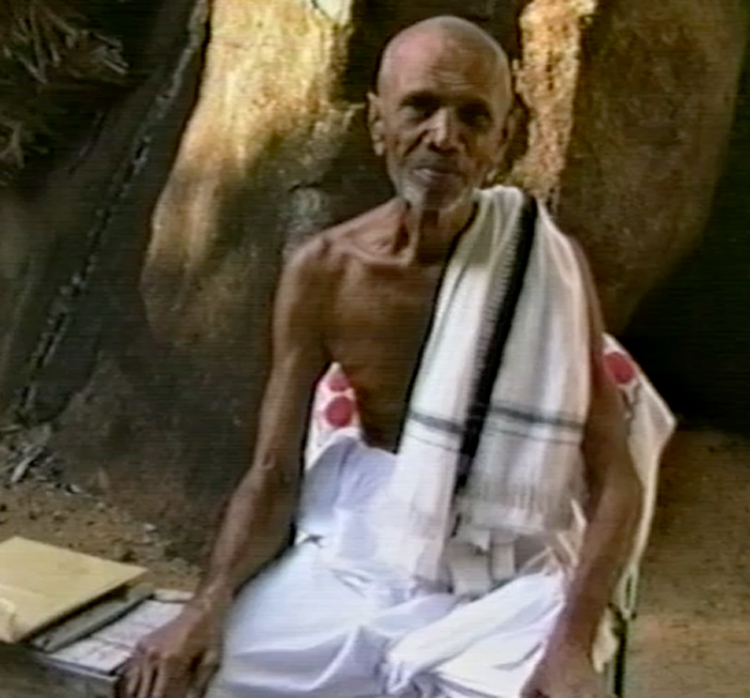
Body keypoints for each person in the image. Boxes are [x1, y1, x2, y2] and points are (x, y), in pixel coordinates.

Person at [123, 15, 670, 698]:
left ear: (505, 138)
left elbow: (616, 480)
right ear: (378, 122)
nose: (444, 136)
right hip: (362, 545)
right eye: (420, 107)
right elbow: (272, 470)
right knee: (207, 677)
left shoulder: (543, 262)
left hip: (510, 562)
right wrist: (207, 604)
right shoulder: (325, 271)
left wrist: (571, 644)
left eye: (473, 116)